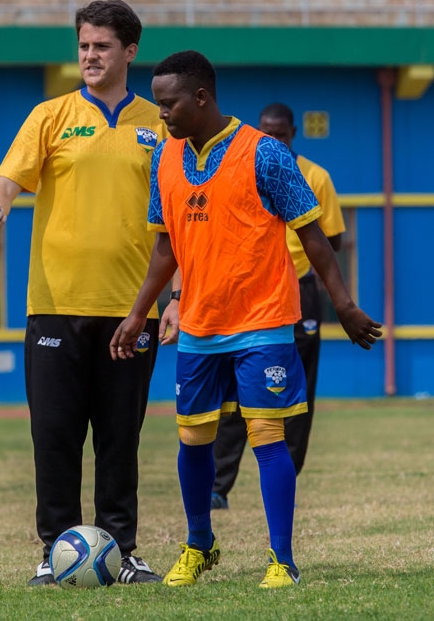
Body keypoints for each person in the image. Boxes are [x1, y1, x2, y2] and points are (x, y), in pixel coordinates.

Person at [110, 50, 381, 589]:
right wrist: (139, 310)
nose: (161, 113)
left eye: (169, 104)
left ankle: (281, 558)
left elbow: (313, 236)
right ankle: (198, 545)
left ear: (201, 98)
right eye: (159, 104)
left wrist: (343, 305)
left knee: (265, 434)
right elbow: (166, 247)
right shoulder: (165, 159)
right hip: (199, 325)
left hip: (262, 320)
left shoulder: (265, 155)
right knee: (193, 438)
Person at [0, 0, 174, 586]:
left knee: (120, 440)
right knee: (55, 438)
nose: (89, 56)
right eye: (84, 45)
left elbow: (180, 227)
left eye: (102, 46)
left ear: (130, 51)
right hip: (55, 309)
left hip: (130, 313)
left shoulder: (160, 124)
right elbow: (7, 177)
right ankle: (53, 552)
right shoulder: (51, 116)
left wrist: (177, 299)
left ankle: (125, 550)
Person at [211, 102, 346, 510]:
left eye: (281, 134)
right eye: (266, 132)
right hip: (249, 291)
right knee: (235, 390)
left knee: (297, 388)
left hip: (299, 291)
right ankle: (218, 486)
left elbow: (333, 240)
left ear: (293, 135)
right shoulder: (244, 167)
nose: (273, 140)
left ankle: (285, 475)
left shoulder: (315, 176)